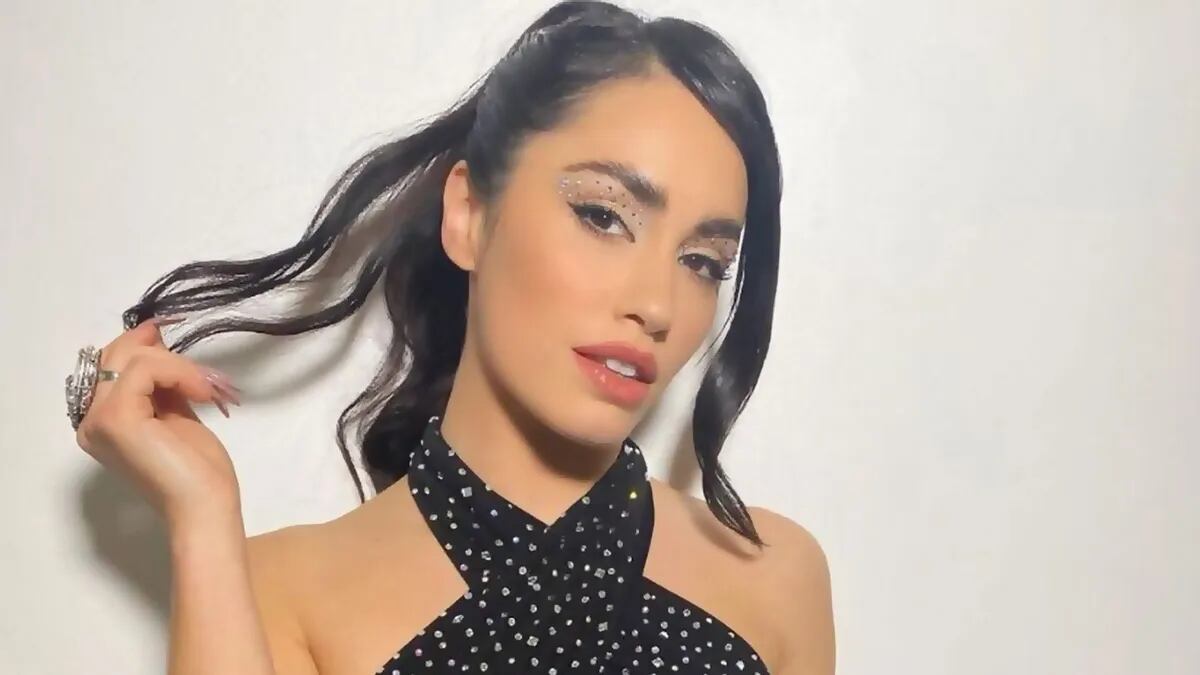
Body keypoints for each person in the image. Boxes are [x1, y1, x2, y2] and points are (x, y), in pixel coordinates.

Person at [66, 1, 835, 673]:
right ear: (467, 215)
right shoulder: (282, 591)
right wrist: (201, 516)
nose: (657, 304)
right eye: (604, 216)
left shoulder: (774, 578)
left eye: (703, 262)